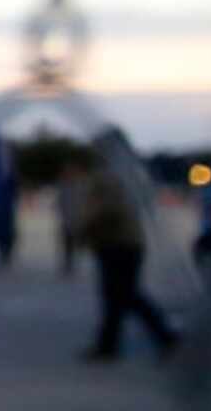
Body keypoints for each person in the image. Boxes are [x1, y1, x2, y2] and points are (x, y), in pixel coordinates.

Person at [70, 136, 177, 362]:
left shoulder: (108, 176)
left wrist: (83, 228)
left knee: (125, 296)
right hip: (123, 243)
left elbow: (107, 209)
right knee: (118, 297)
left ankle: (166, 339)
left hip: (117, 244)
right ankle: (110, 345)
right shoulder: (124, 173)